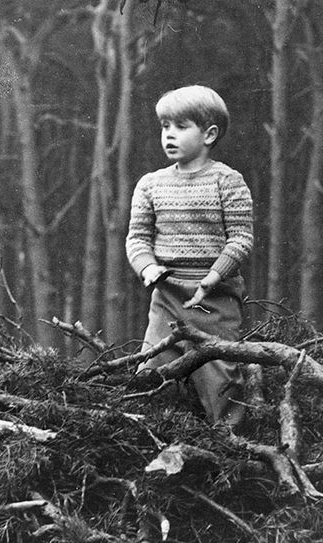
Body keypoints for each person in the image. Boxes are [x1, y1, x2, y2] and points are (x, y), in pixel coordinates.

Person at [126, 84, 254, 428]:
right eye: (165, 127)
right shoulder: (150, 184)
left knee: (221, 379)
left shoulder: (228, 181)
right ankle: (149, 438)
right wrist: (148, 268)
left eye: (181, 127)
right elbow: (137, 239)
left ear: (209, 134)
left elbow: (241, 239)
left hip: (215, 299)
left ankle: (231, 451)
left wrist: (213, 277)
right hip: (167, 296)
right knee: (151, 374)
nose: (169, 135)